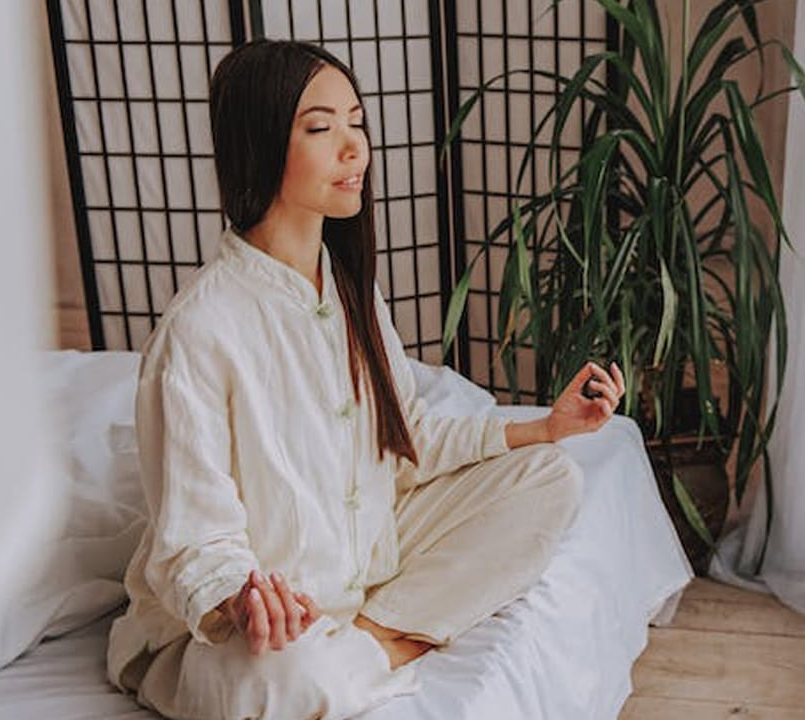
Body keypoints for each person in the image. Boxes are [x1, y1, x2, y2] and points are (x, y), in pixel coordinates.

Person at [104, 39, 626, 720]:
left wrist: (545, 428)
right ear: (261, 144)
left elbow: (405, 440)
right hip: (255, 619)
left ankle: (369, 642)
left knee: (550, 477)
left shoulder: (352, 292)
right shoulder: (200, 331)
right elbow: (194, 537)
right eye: (322, 128)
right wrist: (243, 597)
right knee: (280, 680)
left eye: (357, 122)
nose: (356, 148)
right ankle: (379, 649)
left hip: (367, 561)